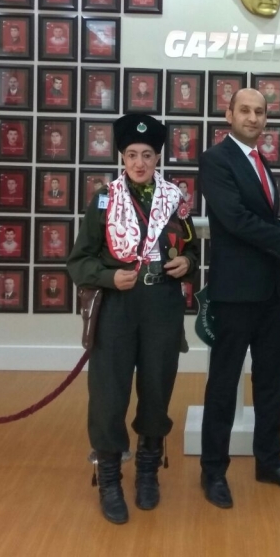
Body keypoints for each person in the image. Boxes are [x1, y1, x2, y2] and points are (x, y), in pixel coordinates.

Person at [68, 114, 199, 525]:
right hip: (117, 308)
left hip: (162, 305)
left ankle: (147, 471)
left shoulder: (174, 199)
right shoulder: (104, 199)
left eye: (146, 155)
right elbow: (79, 261)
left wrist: (187, 263)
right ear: (121, 158)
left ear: (157, 158)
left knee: (157, 389)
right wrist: (109, 277)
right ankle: (109, 478)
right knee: (108, 394)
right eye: (131, 155)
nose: (139, 163)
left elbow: (191, 249)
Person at [198, 88, 280, 509]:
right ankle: (213, 471)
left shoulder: (262, 163)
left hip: (268, 289)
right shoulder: (216, 160)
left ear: (267, 119)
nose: (253, 118)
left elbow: (262, 223)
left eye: (260, 112)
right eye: (245, 110)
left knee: (271, 381)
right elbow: (235, 220)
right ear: (228, 114)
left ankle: (269, 461)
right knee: (224, 383)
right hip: (234, 293)